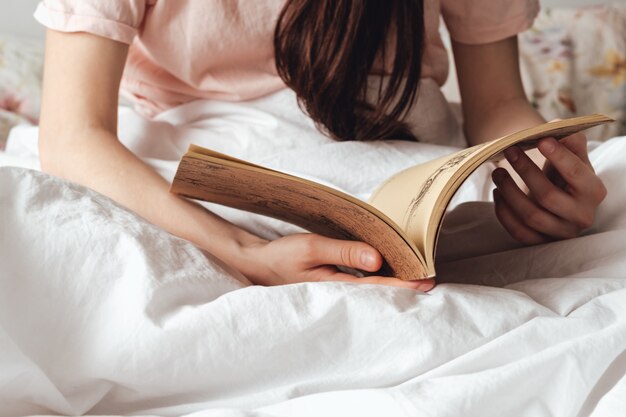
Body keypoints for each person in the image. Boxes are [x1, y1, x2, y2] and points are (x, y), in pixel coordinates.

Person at [34, 0, 606, 291]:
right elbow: (71, 137)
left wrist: (543, 171)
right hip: (206, 174)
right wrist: (245, 254)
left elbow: (497, 104)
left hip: (404, 160)